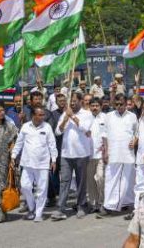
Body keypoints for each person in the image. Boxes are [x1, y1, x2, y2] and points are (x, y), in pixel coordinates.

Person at [52, 92, 94, 220]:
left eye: (75, 100)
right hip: (66, 154)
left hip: (81, 153)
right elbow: (58, 132)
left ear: (81, 101)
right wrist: (65, 119)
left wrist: (73, 117)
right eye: (71, 101)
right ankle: (60, 209)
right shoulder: (65, 113)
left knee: (81, 182)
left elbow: (86, 129)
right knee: (64, 181)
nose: (72, 103)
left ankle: (81, 206)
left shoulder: (87, 114)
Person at [11, 106, 57, 222]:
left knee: (42, 189)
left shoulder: (47, 127)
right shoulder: (25, 126)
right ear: (33, 115)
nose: (42, 117)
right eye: (40, 115)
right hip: (27, 163)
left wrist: (54, 159)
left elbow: (52, 144)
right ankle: (32, 208)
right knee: (25, 186)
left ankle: (38, 213)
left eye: (43, 115)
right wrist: (13, 156)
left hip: (42, 164)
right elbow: (19, 142)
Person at [103, 93, 138, 214]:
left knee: (127, 180)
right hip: (113, 152)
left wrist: (135, 141)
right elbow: (104, 135)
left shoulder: (132, 116)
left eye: (121, 104)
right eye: (116, 104)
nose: (119, 106)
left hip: (127, 153)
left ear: (126, 103)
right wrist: (105, 151)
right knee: (111, 179)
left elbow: (137, 133)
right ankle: (110, 205)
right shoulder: (108, 116)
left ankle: (124, 203)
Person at [45, 91, 66, 206]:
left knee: (66, 174)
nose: (62, 103)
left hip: (68, 147)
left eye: (64, 100)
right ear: (56, 103)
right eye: (60, 101)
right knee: (54, 172)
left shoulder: (70, 112)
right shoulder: (52, 114)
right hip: (57, 146)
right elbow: (52, 131)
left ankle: (64, 196)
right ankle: (53, 196)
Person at [87, 97, 107, 216]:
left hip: (100, 154)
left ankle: (102, 202)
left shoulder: (105, 118)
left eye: (97, 106)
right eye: (92, 105)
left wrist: (106, 149)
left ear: (100, 106)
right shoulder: (85, 117)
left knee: (100, 178)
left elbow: (107, 135)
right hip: (88, 154)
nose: (94, 108)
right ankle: (93, 204)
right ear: (89, 106)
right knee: (90, 181)